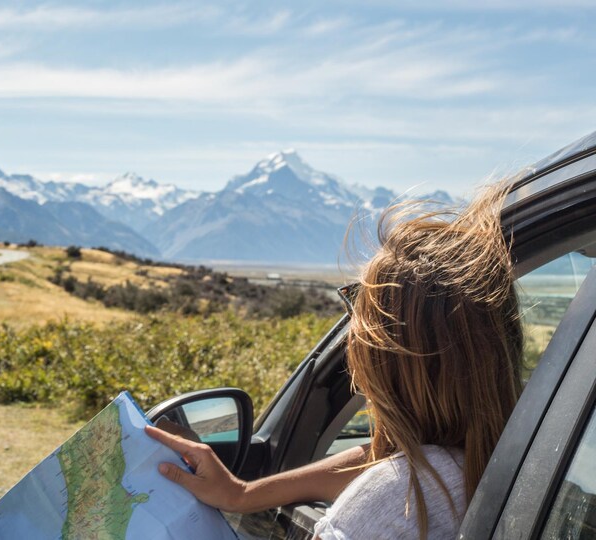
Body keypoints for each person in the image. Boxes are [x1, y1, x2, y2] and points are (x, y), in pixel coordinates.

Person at [146, 183, 524, 539]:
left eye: (358, 312)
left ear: (386, 358)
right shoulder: (510, 460)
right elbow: (374, 461)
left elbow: (387, 479)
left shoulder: (398, 499)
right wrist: (240, 494)